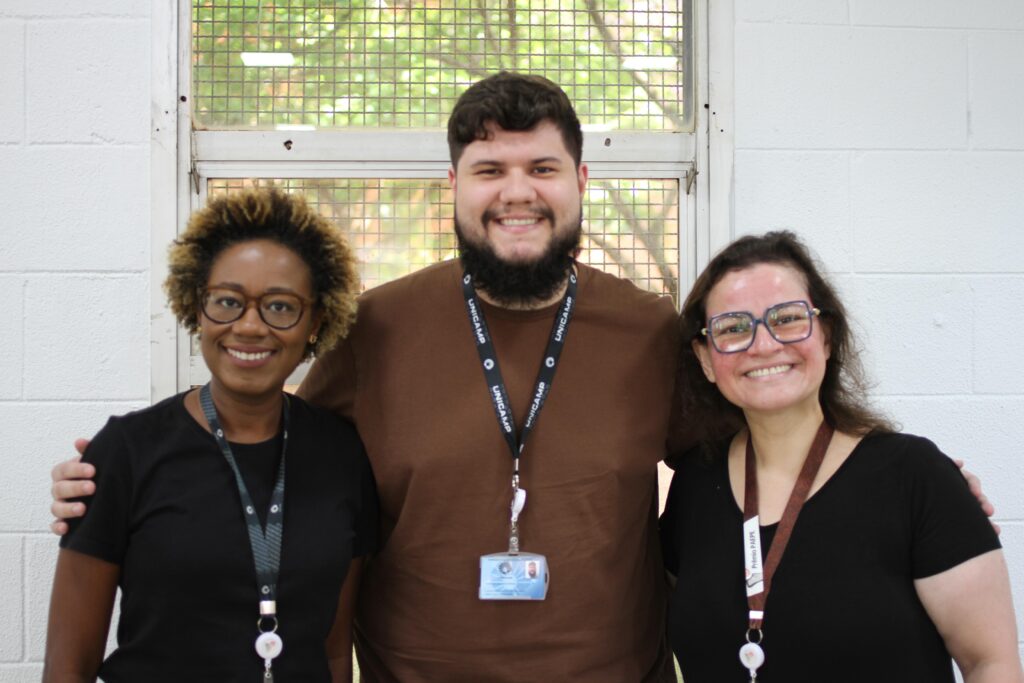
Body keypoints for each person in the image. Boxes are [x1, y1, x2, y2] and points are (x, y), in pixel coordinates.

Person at [47, 74, 996, 682]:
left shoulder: (647, 326)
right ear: (452, 188)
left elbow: (753, 448)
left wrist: (905, 490)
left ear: (580, 181)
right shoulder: (379, 325)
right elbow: (279, 451)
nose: (516, 191)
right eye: (488, 168)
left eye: (542, 166)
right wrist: (118, 481)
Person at [43, 187, 378, 682]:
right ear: (196, 308)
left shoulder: (342, 454)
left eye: (280, 306)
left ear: (315, 322)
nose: (250, 326)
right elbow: (67, 667)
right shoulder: (127, 451)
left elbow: (332, 654)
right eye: (227, 302)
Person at [661, 230, 1021, 682]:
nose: (763, 344)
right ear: (705, 359)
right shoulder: (696, 484)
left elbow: (991, 663)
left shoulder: (916, 478)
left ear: (827, 337)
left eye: (787, 318)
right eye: (733, 328)